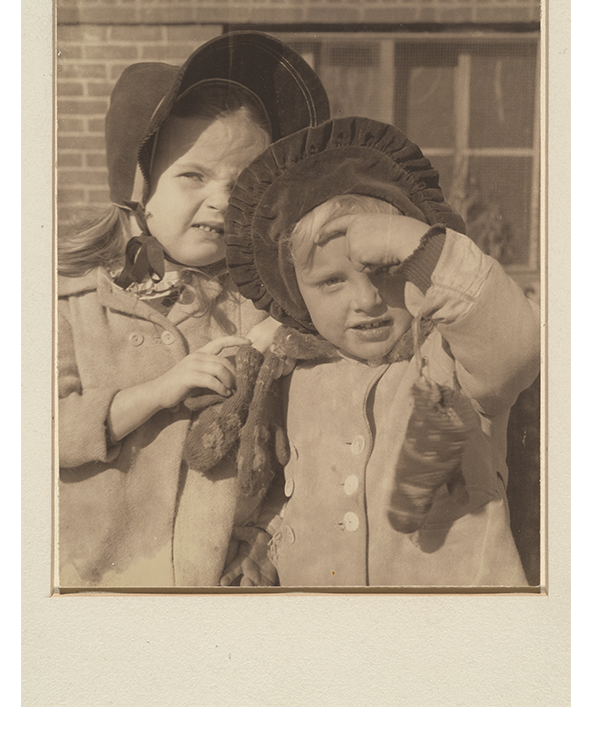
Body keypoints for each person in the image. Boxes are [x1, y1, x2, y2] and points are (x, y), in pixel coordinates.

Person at [57, 31, 330, 589]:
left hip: (210, 588)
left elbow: (291, 453)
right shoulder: (72, 300)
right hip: (91, 585)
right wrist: (155, 393)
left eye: (243, 182)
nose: (224, 200)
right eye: (194, 175)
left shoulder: (266, 312)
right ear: (137, 184)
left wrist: (263, 542)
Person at [223, 116, 540, 587]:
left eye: (387, 271)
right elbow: (298, 488)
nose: (367, 299)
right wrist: (266, 545)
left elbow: (515, 346)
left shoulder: (453, 359)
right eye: (332, 281)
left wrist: (416, 245)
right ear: (296, 295)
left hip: (449, 632)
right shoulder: (298, 374)